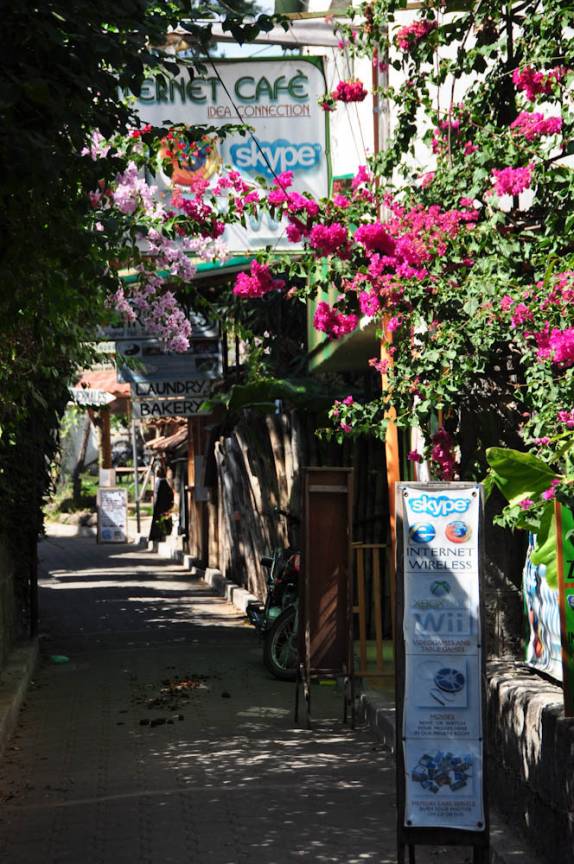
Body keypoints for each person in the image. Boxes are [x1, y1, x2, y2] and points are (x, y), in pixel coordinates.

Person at [149, 465, 175, 541]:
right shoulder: (162, 482)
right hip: (164, 505)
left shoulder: (161, 482)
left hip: (161, 505)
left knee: (160, 520)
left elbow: (157, 494)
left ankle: (159, 535)